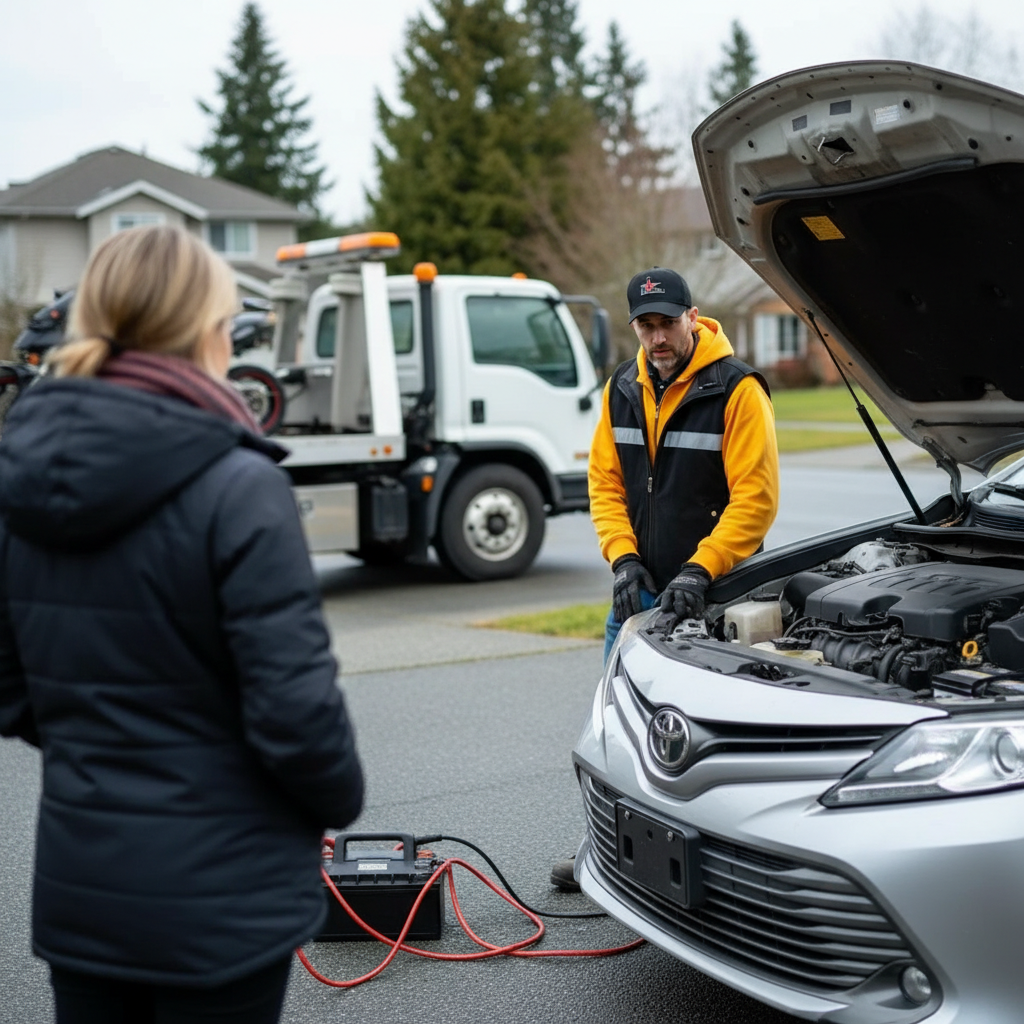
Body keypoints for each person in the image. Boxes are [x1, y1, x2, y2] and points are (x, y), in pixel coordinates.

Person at [0, 224, 364, 1023]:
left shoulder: (16, 472)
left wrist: (100, 741)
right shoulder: (237, 484)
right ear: (204, 325)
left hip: (83, 895)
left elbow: (9, 685)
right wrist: (338, 800)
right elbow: (299, 718)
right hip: (222, 904)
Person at [550, 265, 779, 890]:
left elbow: (755, 501)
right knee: (615, 730)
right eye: (645, 326)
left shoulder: (737, 390)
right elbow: (606, 483)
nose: (657, 339)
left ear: (693, 316)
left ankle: (730, 874)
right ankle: (602, 852)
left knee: (711, 743)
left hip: (719, 594)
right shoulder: (620, 387)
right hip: (640, 591)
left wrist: (701, 569)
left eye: (667, 323)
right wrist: (622, 558)